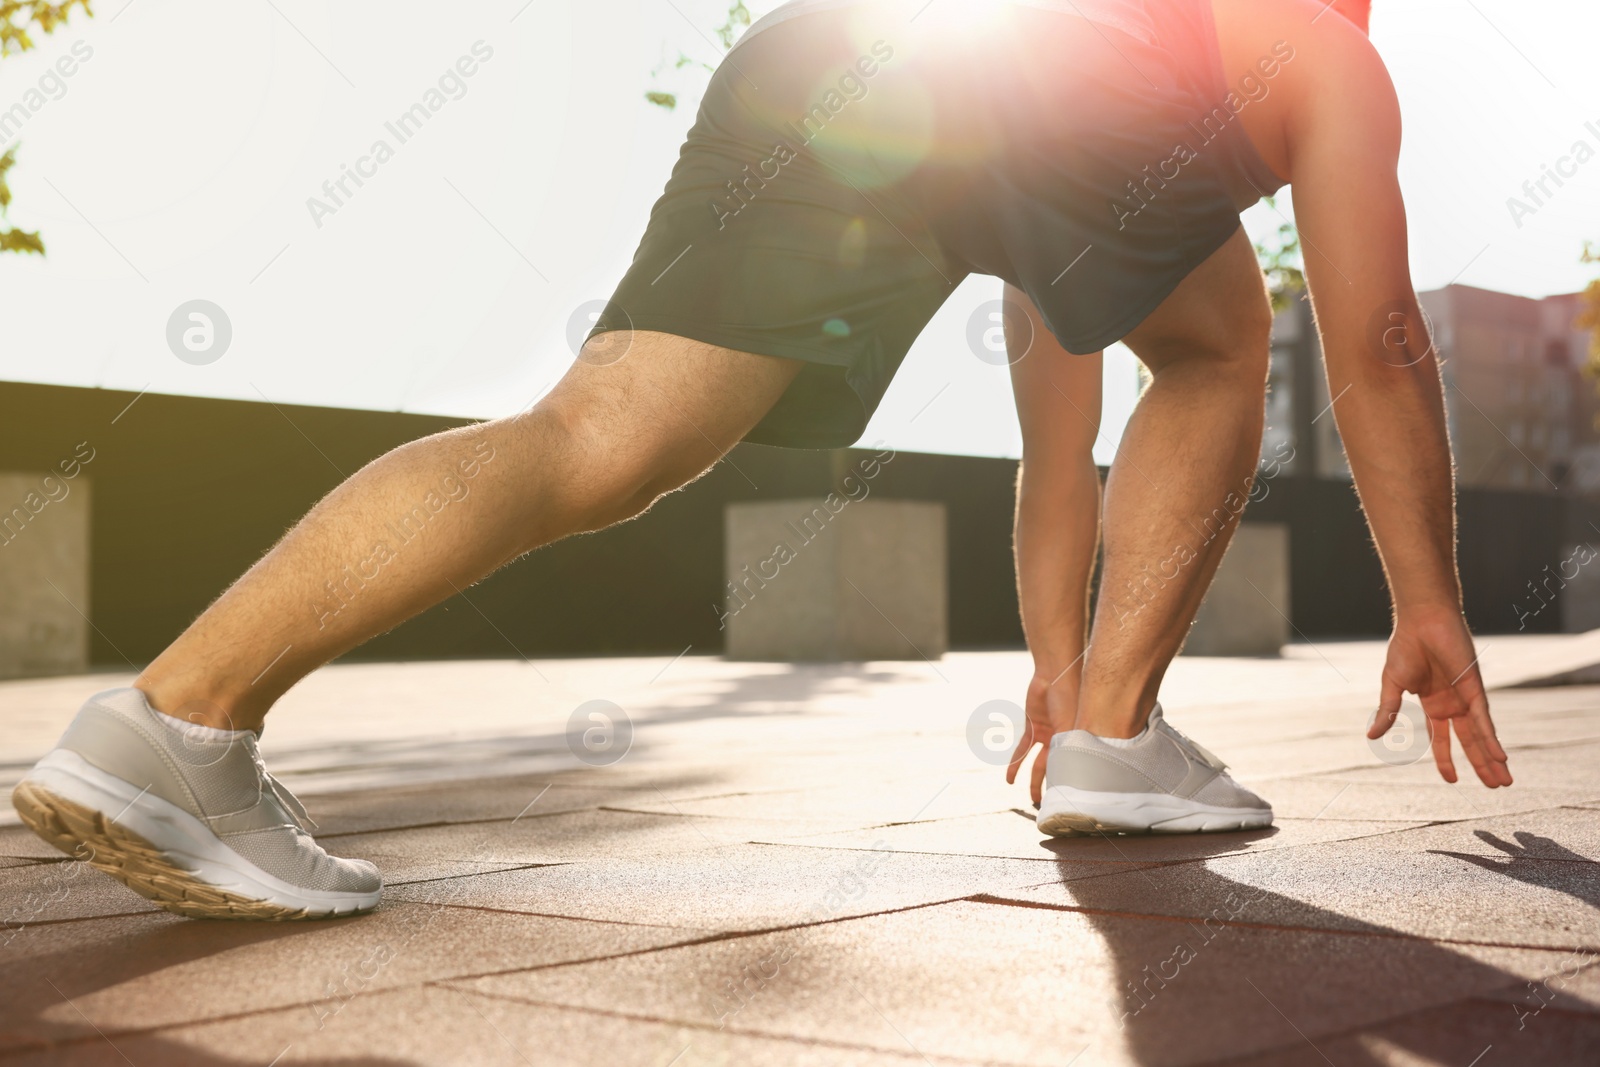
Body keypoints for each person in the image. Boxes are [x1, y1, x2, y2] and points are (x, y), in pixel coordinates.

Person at [14, 0, 1509, 921]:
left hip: (840, 58)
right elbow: (1380, 341)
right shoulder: (1321, 59)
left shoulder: (1124, 112)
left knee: (593, 437)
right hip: (963, 100)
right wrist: (1428, 603)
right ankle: (1124, 735)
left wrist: (1063, 677)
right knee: (1230, 338)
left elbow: (1055, 450)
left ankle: (176, 720)